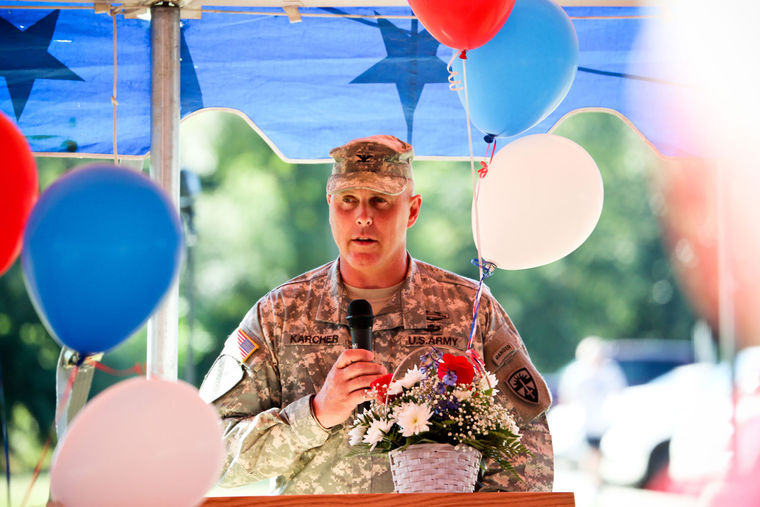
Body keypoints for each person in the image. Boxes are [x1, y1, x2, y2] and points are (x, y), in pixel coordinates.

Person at [199, 135, 554, 494]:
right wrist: (315, 415)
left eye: (380, 201)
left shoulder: (469, 308)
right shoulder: (279, 315)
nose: (363, 217)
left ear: (412, 210)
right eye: (348, 201)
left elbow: (528, 451)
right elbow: (207, 454)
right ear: (329, 205)